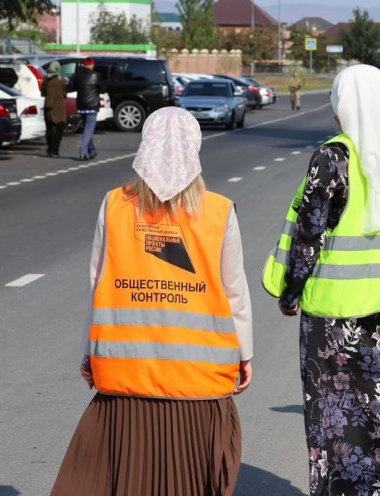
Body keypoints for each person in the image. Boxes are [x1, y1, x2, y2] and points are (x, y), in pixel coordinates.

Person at [51, 107, 253, 496]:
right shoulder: (217, 210)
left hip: (124, 377)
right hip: (199, 383)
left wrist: (88, 353)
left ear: (145, 147)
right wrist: (244, 354)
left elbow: (97, 283)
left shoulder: (114, 205)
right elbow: (234, 293)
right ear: (194, 149)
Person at [263, 64, 380, 495]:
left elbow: (309, 233)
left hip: (335, 324)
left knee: (335, 427)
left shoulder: (334, 156)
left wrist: (291, 291)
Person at [67, 56, 106, 161]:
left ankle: (92, 151)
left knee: (87, 129)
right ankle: (83, 152)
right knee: (88, 130)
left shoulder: (77, 75)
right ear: (92, 65)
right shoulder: (96, 75)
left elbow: (70, 88)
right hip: (92, 106)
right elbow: (103, 89)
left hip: (81, 105)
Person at [41, 61, 67, 157]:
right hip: (59, 107)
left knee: (49, 129)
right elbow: (64, 94)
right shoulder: (62, 80)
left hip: (48, 106)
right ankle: (55, 150)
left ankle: (49, 148)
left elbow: (42, 92)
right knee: (59, 129)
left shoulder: (45, 79)